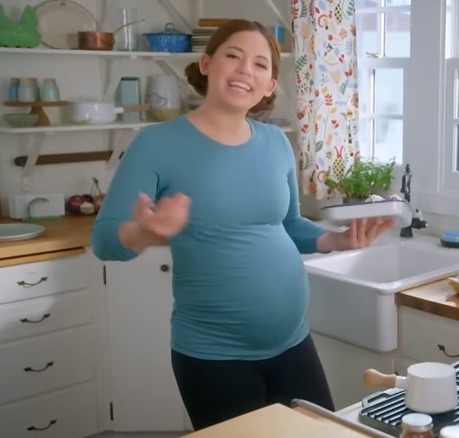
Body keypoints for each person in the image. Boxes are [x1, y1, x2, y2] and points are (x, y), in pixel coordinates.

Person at [90, 19, 395, 431]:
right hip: (214, 358)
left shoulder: (275, 142)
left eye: (260, 64)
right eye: (233, 56)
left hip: (293, 345)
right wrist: (145, 231)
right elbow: (105, 240)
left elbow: (287, 225)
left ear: (270, 85)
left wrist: (335, 240)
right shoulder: (157, 143)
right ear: (207, 64)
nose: (244, 71)